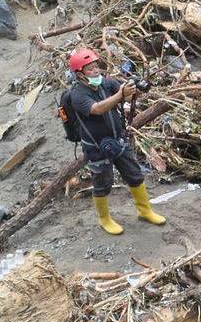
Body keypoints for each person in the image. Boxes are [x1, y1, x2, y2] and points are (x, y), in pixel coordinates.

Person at [58, 48, 168, 236]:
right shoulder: (77, 94)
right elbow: (98, 108)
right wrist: (119, 95)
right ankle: (104, 219)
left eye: (96, 67)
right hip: (96, 148)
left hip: (118, 140)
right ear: (79, 74)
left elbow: (122, 94)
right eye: (90, 69)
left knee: (134, 174)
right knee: (103, 183)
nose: (95, 71)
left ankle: (145, 210)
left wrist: (131, 89)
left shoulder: (105, 83)